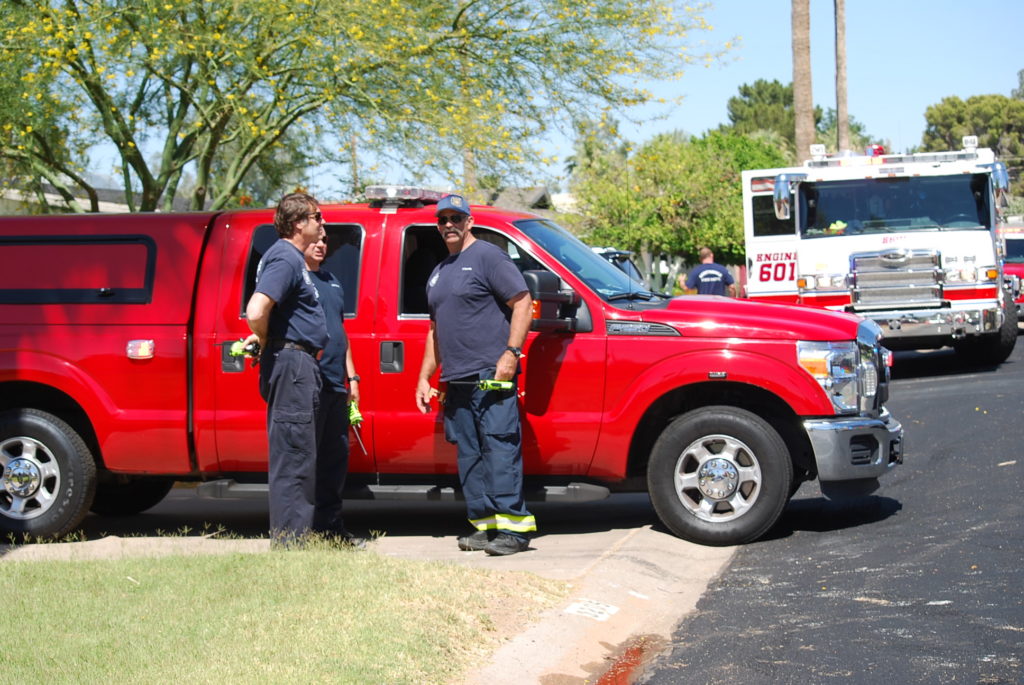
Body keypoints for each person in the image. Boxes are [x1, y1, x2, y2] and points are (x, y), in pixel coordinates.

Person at [414, 193, 536, 556]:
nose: (449, 225)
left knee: (499, 450)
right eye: (443, 220)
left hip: (490, 374)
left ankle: (514, 530)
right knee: (470, 455)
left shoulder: (488, 257)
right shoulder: (439, 273)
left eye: (456, 218)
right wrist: (425, 377)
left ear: (469, 222)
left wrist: (511, 353)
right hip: (457, 381)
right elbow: (435, 331)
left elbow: (523, 303)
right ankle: (486, 526)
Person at [243, 192, 328, 546]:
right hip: (292, 363)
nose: (322, 223)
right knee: (294, 456)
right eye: (317, 217)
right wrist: (265, 339)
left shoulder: (290, 259)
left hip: (297, 363)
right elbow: (256, 310)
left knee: (299, 453)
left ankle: (294, 538)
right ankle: (290, 543)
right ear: (297, 223)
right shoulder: (286, 258)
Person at [304, 228, 364, 546]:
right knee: (306, 460)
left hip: (336, 383)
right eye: (315, 239)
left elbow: (340, 331)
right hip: (309, 382)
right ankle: (303, 531)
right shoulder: (297, 280)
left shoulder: (332, 281)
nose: (320, 244)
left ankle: (330, 529)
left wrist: (351, 378)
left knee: (334, 459)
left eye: (325, 241)